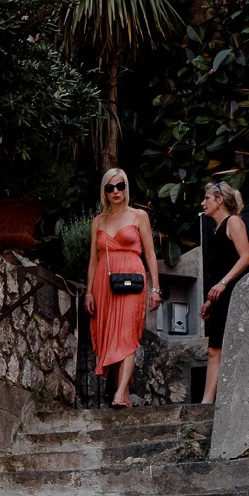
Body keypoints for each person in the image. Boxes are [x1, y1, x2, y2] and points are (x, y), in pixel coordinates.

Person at [85, 167, 161, 407]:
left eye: (120, 186)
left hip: (132, 278)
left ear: (126, 188)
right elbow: (93, 260)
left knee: (127, 333)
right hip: (104, 281)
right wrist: (88, 291)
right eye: (110, 187)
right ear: (104, 192)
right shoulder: (98, 220)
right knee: (111, 335)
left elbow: (150, 253)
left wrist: (155, 288)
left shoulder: (139, 216)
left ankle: (119, 393)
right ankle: (125, 395)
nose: (116, 191)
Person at [200, 181, 249, 405]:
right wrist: (210, 301)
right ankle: (207, 403)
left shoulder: (234, 222)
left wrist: (223, 283)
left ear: (219, 200)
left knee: (218, 349)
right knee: (215, 349)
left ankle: (207, 403)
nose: (203, 203)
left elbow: (246, 257)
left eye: (207, 199)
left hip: (233, 294)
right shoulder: (215, 230)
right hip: (221, 298)